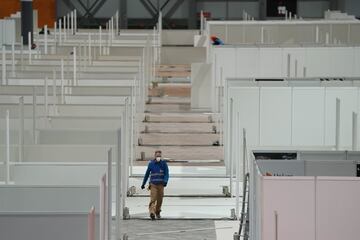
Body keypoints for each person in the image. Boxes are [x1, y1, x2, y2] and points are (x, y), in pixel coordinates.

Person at [141, 150, 169, 220]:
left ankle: (157, 211)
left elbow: (166, 174)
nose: (158, 157)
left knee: (160, 200)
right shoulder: (151, 164)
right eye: (157, 156)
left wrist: (165, 181)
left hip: (161, 185)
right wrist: (143, 184)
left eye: (159, 156)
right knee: (153, 199)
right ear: (155, 156)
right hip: (153, 185)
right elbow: (147, 174)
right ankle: (152, 213)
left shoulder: (164, 164)